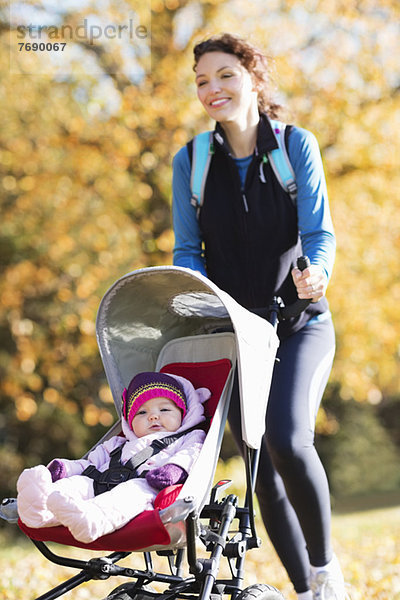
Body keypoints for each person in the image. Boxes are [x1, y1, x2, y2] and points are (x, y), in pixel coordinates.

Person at [172, 33, 346, 600]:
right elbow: (187, 251)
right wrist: (193, 298)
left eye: (223, 75)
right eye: (201, 81)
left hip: (301, 325)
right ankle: (305, 592)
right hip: (238, 336)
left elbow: (319, 233)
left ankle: (325, 574)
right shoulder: (192, 162)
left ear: (252, 76)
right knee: (259, 471)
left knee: (287, 439)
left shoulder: (296, 146)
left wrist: (316, 271)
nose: (212, 89)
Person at [17, 372, 209, 544]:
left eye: (164, 410)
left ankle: (92, 521)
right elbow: (91, 464)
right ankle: (38, 509)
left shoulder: (188, 437)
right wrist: (66, 468)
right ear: (130, 422)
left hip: (145, 487)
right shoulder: (117, 443)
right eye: (142, 412)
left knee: (126, 494)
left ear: (183, 413)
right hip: (100, 482)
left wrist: (174, 469)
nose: (153, 416)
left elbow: (191, 454)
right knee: (77, 484)